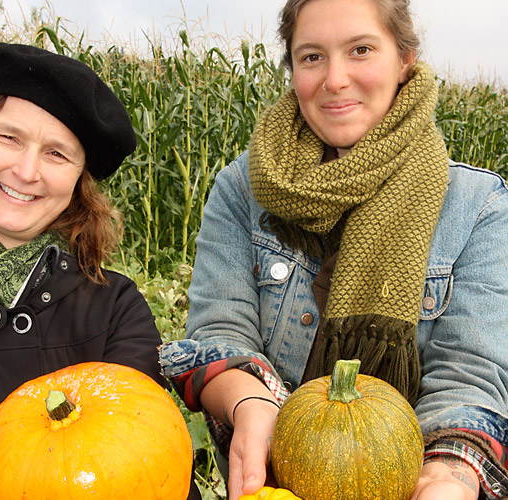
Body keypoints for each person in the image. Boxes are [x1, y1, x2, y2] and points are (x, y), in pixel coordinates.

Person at [159, 0, 508, 499]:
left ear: (405, 58)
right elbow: (221, 328)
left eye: (360, 49)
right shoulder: (244, 188)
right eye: (312, 57)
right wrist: (249, 403)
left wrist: (447, 474)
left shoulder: (478, 207)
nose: (335, 79)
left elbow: (470, 374)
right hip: (271, 484)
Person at [0, 42, 200, 500]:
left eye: (57, 154)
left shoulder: (116, 308)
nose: (26, 171)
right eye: (9, 138)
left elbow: (149, 456)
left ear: (79, 182)